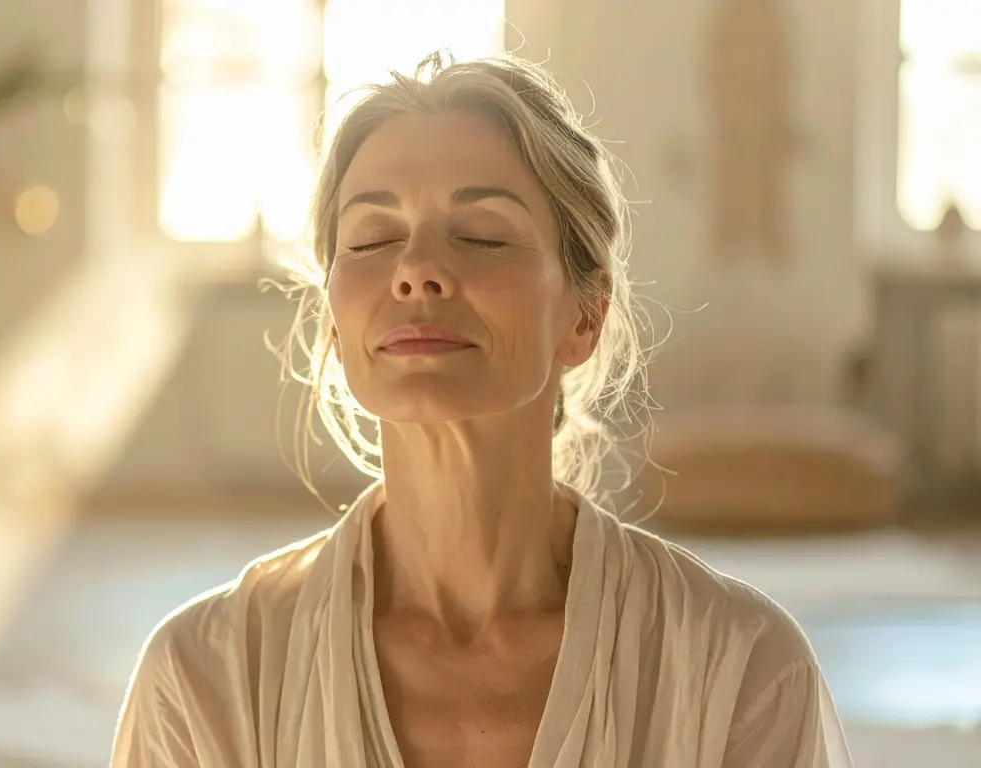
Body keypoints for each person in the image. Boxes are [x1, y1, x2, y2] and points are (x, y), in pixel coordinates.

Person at [110, 52, 853, 767]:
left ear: (585, 316)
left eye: (483, 236)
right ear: (333, 325)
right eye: (372, 239)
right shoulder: (207, 679)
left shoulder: (739, 670)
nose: (418, 271)